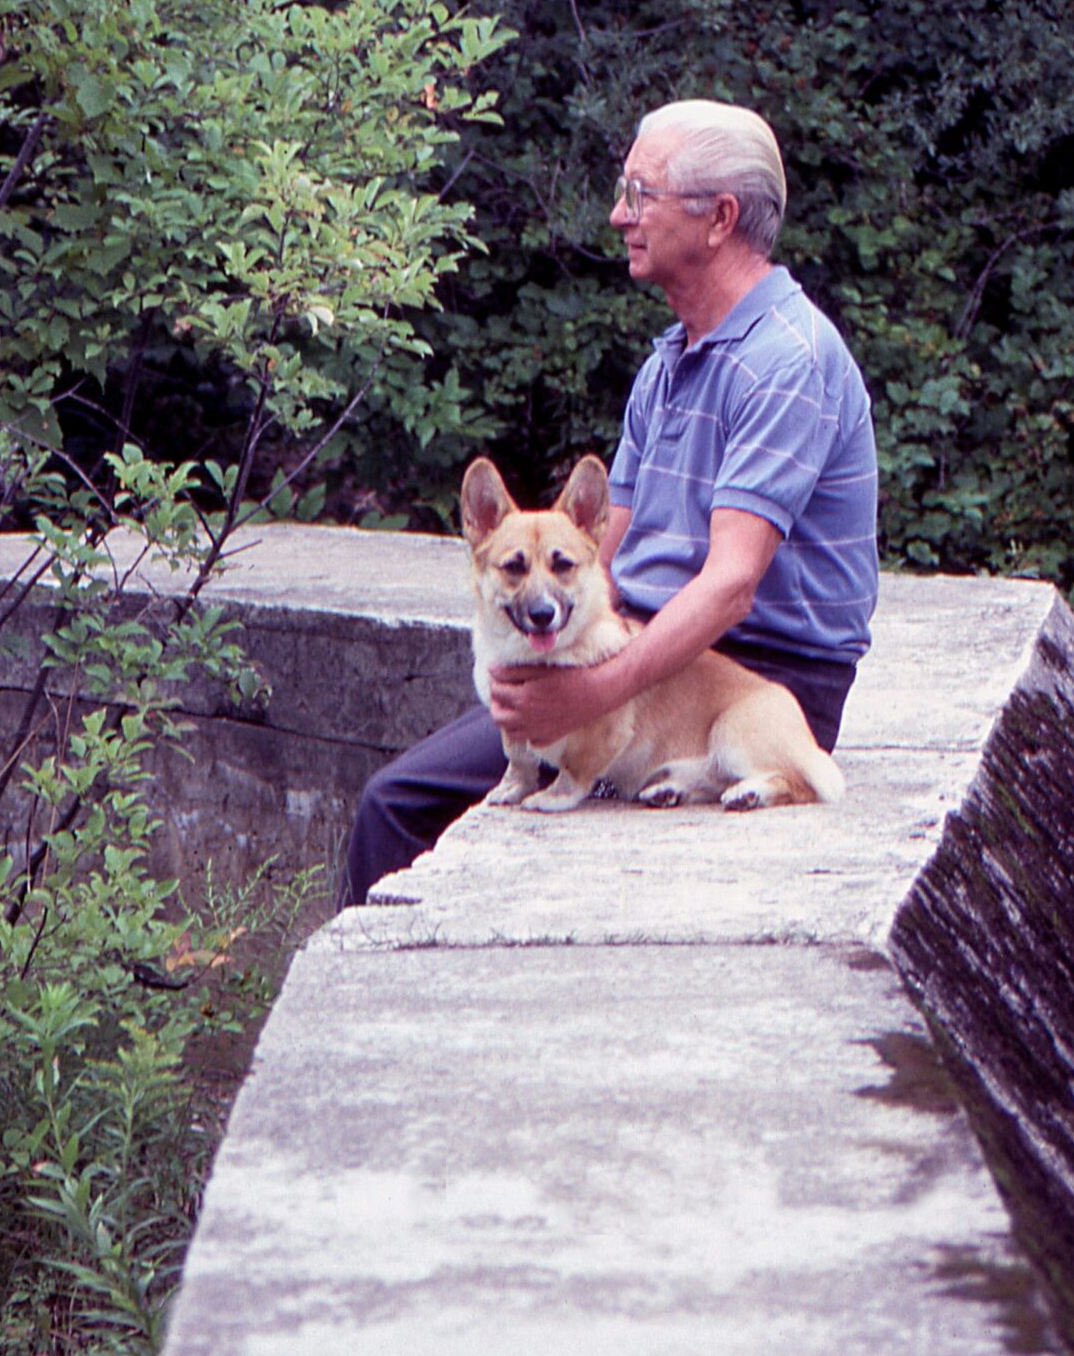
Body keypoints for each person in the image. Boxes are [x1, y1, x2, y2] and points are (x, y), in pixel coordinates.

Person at [338, 99, 879, 907]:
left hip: (747, 682)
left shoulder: (786, 363)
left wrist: (597, 690)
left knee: (398, 807)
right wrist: (545, 656)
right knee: (405, 792)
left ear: (719, 218)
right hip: (639, 652)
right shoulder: (668, 365)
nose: (620, 215)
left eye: (640, 193)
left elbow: (731, 586)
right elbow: (600, 555)